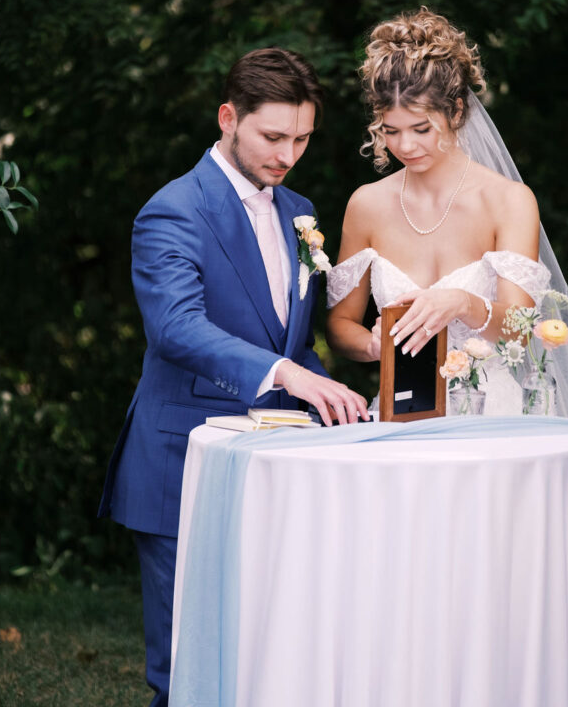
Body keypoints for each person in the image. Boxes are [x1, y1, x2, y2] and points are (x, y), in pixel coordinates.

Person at [326, 8, 568, 707]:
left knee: (495, 581)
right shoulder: (365, 204)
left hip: (496, 416)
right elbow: (339, 326)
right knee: (410, 582)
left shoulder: (508, 200)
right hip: (400, 420)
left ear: (456, 112)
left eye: (421, 128)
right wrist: (379, 344)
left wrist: (461, 304)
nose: (404, 145)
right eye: (389, 130)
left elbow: (518, 328)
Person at [99, 47, 368, 707]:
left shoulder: (298, 209)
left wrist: (336, 397)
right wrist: (288, 373)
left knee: (266, 664)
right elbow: (176, 328)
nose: (288, 154)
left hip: (277, 471)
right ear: (228, 118)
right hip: (182, 467)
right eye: (273, 137)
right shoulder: (173, 210)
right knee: (188, 672)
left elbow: (287, 341)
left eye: (302, 139)